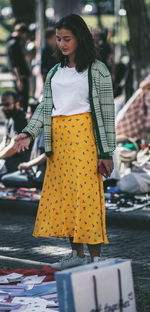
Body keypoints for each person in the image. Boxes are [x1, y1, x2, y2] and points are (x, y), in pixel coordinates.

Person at [15, 14, 116, 269]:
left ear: (80, 38)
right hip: (58, 142)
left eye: (67, 38)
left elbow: (106, 112)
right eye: (59, 39)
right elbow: (44, 108)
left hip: (84, 139)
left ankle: (96, 259)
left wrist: (106, 152)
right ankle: (76, 255)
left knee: (87, 198)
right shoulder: (54, 72)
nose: (62, 43)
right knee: (67, 198)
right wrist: (27, 133)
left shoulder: (97, 69)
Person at [0, 91, 29, 175]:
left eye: (7, 104)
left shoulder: (21, 119)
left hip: (19, 163)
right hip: (8, 160)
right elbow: (4, 141)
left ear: (17, 104)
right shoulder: (10, 118)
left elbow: (14, 147)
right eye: (2, 105)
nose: (4, 108)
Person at [7, 24, 31, 111]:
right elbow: (15, 64)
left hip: (20, 76)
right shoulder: (14, 45)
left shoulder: (15, 43)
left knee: (23, 99)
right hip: (20, 76)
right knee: (22, 100)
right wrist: (19, 79)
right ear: (21, 33)